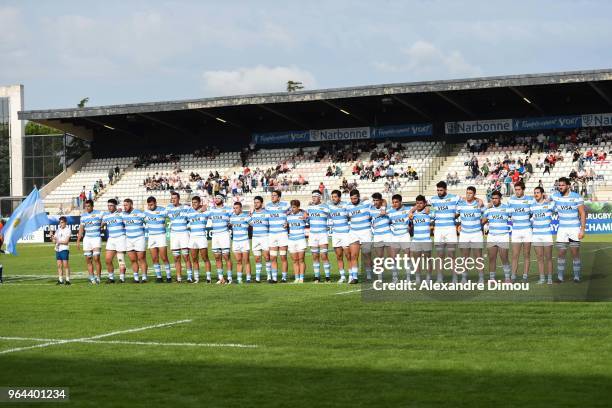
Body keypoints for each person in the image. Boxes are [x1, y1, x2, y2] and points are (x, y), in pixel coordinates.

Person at [551, 177, 586, 283]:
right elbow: (544, 198)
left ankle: (576, 277)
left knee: (575, 253)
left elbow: (582, 213)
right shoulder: (555, 196)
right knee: (561, 253)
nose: (560, 187)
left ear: (568, 186)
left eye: (562, 185)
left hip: (574, 229)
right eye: (559, 185)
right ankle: (560, 277)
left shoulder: (576, 197)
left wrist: (582, 229)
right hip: (562, 229)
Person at [428, 181, 459, 283]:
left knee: (451, 254)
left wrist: (455, 215)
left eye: (441, 190)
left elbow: (465, 200)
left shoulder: (454, 198)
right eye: (437, 190)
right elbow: (425, 206)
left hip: (450, 229)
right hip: (439, 230)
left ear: (445, 189)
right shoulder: (433, 199)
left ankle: (454, 277)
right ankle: (439, 278)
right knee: (439, 254)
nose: (439, 192)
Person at [507, 181, 536, 282]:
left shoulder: (530, 200)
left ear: (523, 190)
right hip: (516, 231)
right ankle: (513, 276)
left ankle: (525, 276)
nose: (517, 192)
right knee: (515, 255)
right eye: (516, 190)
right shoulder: (511, 200)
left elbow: (533, 213)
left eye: (519, 189)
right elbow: (509, 214)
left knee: (526, 254)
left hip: (527, 230)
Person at [456, 187, 485, 283]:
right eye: (467, 193)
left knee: (478, 257)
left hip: (476, 234)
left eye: (470, 193)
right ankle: (464, 277)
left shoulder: (479, 205)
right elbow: (454, 215)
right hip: (464, 234)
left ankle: (481, 277)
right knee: (464, 257)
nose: (468, 195)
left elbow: (486, 214)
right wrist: (458, 225)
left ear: (474, 194)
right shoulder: (460, 205)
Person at [482, 191, 511, 282]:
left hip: (503, 236)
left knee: (504, 258)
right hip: (491, 236)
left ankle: (507, 278)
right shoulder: (489, 209)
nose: (494, 200)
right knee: (491, 258)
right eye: (493, 198)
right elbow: (483, 221)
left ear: (500, 199)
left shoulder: (507, 208)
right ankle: (492, 278)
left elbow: (515, 216)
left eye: (496, 198)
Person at [345, 189, 373, 284]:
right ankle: (355, 277)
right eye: (352, 199)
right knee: (353, 255)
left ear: (359, 197)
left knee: (366, 255)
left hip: (365, 232)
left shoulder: (367, 203)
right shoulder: (348, 206)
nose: (353, 200)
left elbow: (383, 201)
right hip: (353, 232)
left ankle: (369, 276)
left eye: (355, 198)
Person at [144, 196, 172, 283]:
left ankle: (168, 276)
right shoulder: (146, 212)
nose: (150, 207)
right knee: (154, 258)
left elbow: (172, 215)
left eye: (151, 205)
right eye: (149, 205)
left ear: (155, 203)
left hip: (161, 236)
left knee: (164, 257)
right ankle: (159, 277)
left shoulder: (163, 210)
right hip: (151, 237)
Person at [166, 191, 192, 283]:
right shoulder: (168, 208)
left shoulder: (186, 208)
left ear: (178, 199)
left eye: (175, 198)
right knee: (176, 257)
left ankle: (189, 277)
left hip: (184, 234)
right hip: (174, 235)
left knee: (186, 256)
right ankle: (179, 278)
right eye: (172, 198)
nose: (173, 200)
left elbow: (193, 214)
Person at [266, 190, 290, 283]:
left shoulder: (285, 204)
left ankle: (284, 278)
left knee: (283, 257)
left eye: (275, 195)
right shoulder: (268, 206)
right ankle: (275, 278)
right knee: (273, 257)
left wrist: (288, 222)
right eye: (272, 195)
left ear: (279, 197)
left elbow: (294, 210)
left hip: (282, 234)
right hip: (272, 234)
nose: (272, 197)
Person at [76, 200, 103, 284]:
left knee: (96, 258)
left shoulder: (99, 213)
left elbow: (106, 220)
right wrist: (78, 240)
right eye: (86, 206)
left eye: (88, 206)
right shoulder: (83, 216)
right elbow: (81, 228)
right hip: (87, 239)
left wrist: (101, 225)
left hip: (96, 238)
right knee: (88, 259)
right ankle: (92, 278)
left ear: (92, 206)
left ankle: (98, 278)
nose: (87, 208)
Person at [531, 187, 554, 284]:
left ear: (542, 193)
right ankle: (542, 278)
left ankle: (549, 278)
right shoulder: (531, 206)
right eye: (535, 193)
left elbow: (557, 201)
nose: (536, 194)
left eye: (538, 192)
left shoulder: (548, 204)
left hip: (547, 234)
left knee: (548, 257)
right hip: (536, 235)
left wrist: (549, 198)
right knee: (539, 258)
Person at [307, 190, 331, 283]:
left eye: (315, 196)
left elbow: (332, 216)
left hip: (322, 234)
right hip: (312, 234)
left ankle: (327, 277)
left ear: (319, 197)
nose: (313, 198)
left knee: (324, 255)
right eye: (312, 196)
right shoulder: (309, 207)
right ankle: (317, 277)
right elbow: (304, 215)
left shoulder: (326, 207)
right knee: (315, 256)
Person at [209, 194, 233, 284]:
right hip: (215, 235)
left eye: (219, 198)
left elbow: (234, 216)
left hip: (224, 234)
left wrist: (231, 222)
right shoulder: (211, 210)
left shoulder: (228, 209)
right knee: (217, 257)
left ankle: (229, 278)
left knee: (226, 257)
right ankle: (221, 278)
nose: (216, 199)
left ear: (222, 200)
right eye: (215, 198)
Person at [387, 194, 412, 282]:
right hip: (394, 236)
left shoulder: (407, 210)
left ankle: (408, 277)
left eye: (396, 202)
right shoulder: (390, 212)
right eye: (393, 202)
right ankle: (395, 277)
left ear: (401, 202)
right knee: (393, 258)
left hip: (405, 236)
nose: (394, 204)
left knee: (407, 257)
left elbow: (416, 209)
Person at [185, 196, 210, 283]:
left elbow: (212, 213)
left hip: (201, 237)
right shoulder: (189, 212)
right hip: (192, 238)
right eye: (192, 202)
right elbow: (187, 217)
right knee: (194, 259)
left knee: (205, 258)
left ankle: (208, 278)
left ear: (199, 203)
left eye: (195, 202)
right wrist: (199, 211)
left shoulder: (206, 212)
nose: (194, 204)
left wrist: (205, 208)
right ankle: (196, 278)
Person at [122, 198, 148, 282]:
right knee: (133, 259)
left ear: (131, 204)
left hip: (139, 238)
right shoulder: (123, 214)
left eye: (126, 205)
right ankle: (136, 278)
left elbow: (148, 221)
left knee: (141, 258)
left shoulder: (139, 213)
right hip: (129, 239)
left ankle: (144, 277)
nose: (124, 207)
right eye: (124, 205)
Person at [102, 199, 127, 283]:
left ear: (115, 206)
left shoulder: (121, 214)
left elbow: (127, 222)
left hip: (120, 238)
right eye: (108, 206)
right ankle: (111, 278)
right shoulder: (106, 216)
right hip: (111, 239)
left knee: (120, 260)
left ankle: (122, 278)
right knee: (108, 260)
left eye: (111, 205)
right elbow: (101, 225)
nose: (109, 207)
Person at [409, 195, 433, 283]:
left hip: (426, 240)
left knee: (428, 260)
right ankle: (418, 279)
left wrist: (427, 207)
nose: (419, 205)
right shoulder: (413, 215)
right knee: (416, 260)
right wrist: (412, 210)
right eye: (417, 203)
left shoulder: (428, 213)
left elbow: (432, 209)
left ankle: (428, 278)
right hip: (416, 240)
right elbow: (409, 215)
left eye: (421, 203)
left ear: (424, 203)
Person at [328, 190, 350, 283]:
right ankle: (342, 276)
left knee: (348, 256)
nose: (334, 198)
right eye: (332, 197)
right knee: (339, 256)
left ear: (339, 197)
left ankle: (351, 276)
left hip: (345, 233)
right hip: (335, 234)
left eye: (335, 197)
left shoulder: (346, 205)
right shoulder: (329, 206)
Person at [369, 193, 392, 280]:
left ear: (381, 200)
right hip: (377, 236)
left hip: (387, 234)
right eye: (374, 200)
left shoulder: (388, 208)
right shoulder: (371, 209)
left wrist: (384, 210)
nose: (375, 202)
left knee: (391, 257)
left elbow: (391, 219)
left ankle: (395, 277)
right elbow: (364, 199)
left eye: (377, 200)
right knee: (379, 258)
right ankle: (380, 278)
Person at [249, 196, 271, 283]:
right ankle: (257, 278)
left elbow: (271, 224)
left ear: (261, 203)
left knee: (266, 257)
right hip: (255, 238)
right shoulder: (252, 214)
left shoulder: (267, 213)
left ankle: (269, 276)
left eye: (257, 202)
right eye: (255, 202)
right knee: (257, 259)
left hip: (265, 237)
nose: (256, 204)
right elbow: (251, 224)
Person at [229, 201, 251, 283]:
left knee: (246, 261)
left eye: (237, 208)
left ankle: (248, 279)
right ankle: (239, 279)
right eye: (234, 208)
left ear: (241, 208)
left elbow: (253, 224)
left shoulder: (246, 217)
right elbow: (229, 224)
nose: (235, 209)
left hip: (244, 241)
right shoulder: (232, 217)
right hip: (235, 242)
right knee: (238, 261)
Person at [286, 200, 308, 283]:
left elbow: (309, 219)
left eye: (294, 207)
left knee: (301, 260)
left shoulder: (303, 215)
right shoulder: (288, 216)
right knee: (294, 260)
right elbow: (285, 222)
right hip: (291, 240)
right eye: (292, 207)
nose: (292, 209)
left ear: (298, 207)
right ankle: (296, 278)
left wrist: (305, 212)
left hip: (301, 240)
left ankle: (301, 278)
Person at [52, 216, 72, 285]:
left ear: (65, 222)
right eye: (60, 222)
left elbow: (66, 241)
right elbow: (54, 242)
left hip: (64, 249)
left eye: (62, 222)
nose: (61, 224)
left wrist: (58, 241)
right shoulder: (58, 230)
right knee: (59, 265)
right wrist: (52, 237)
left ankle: (67, 280)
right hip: (57, 249)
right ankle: (60, 280)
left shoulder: (68, 230)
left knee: (66, 265)